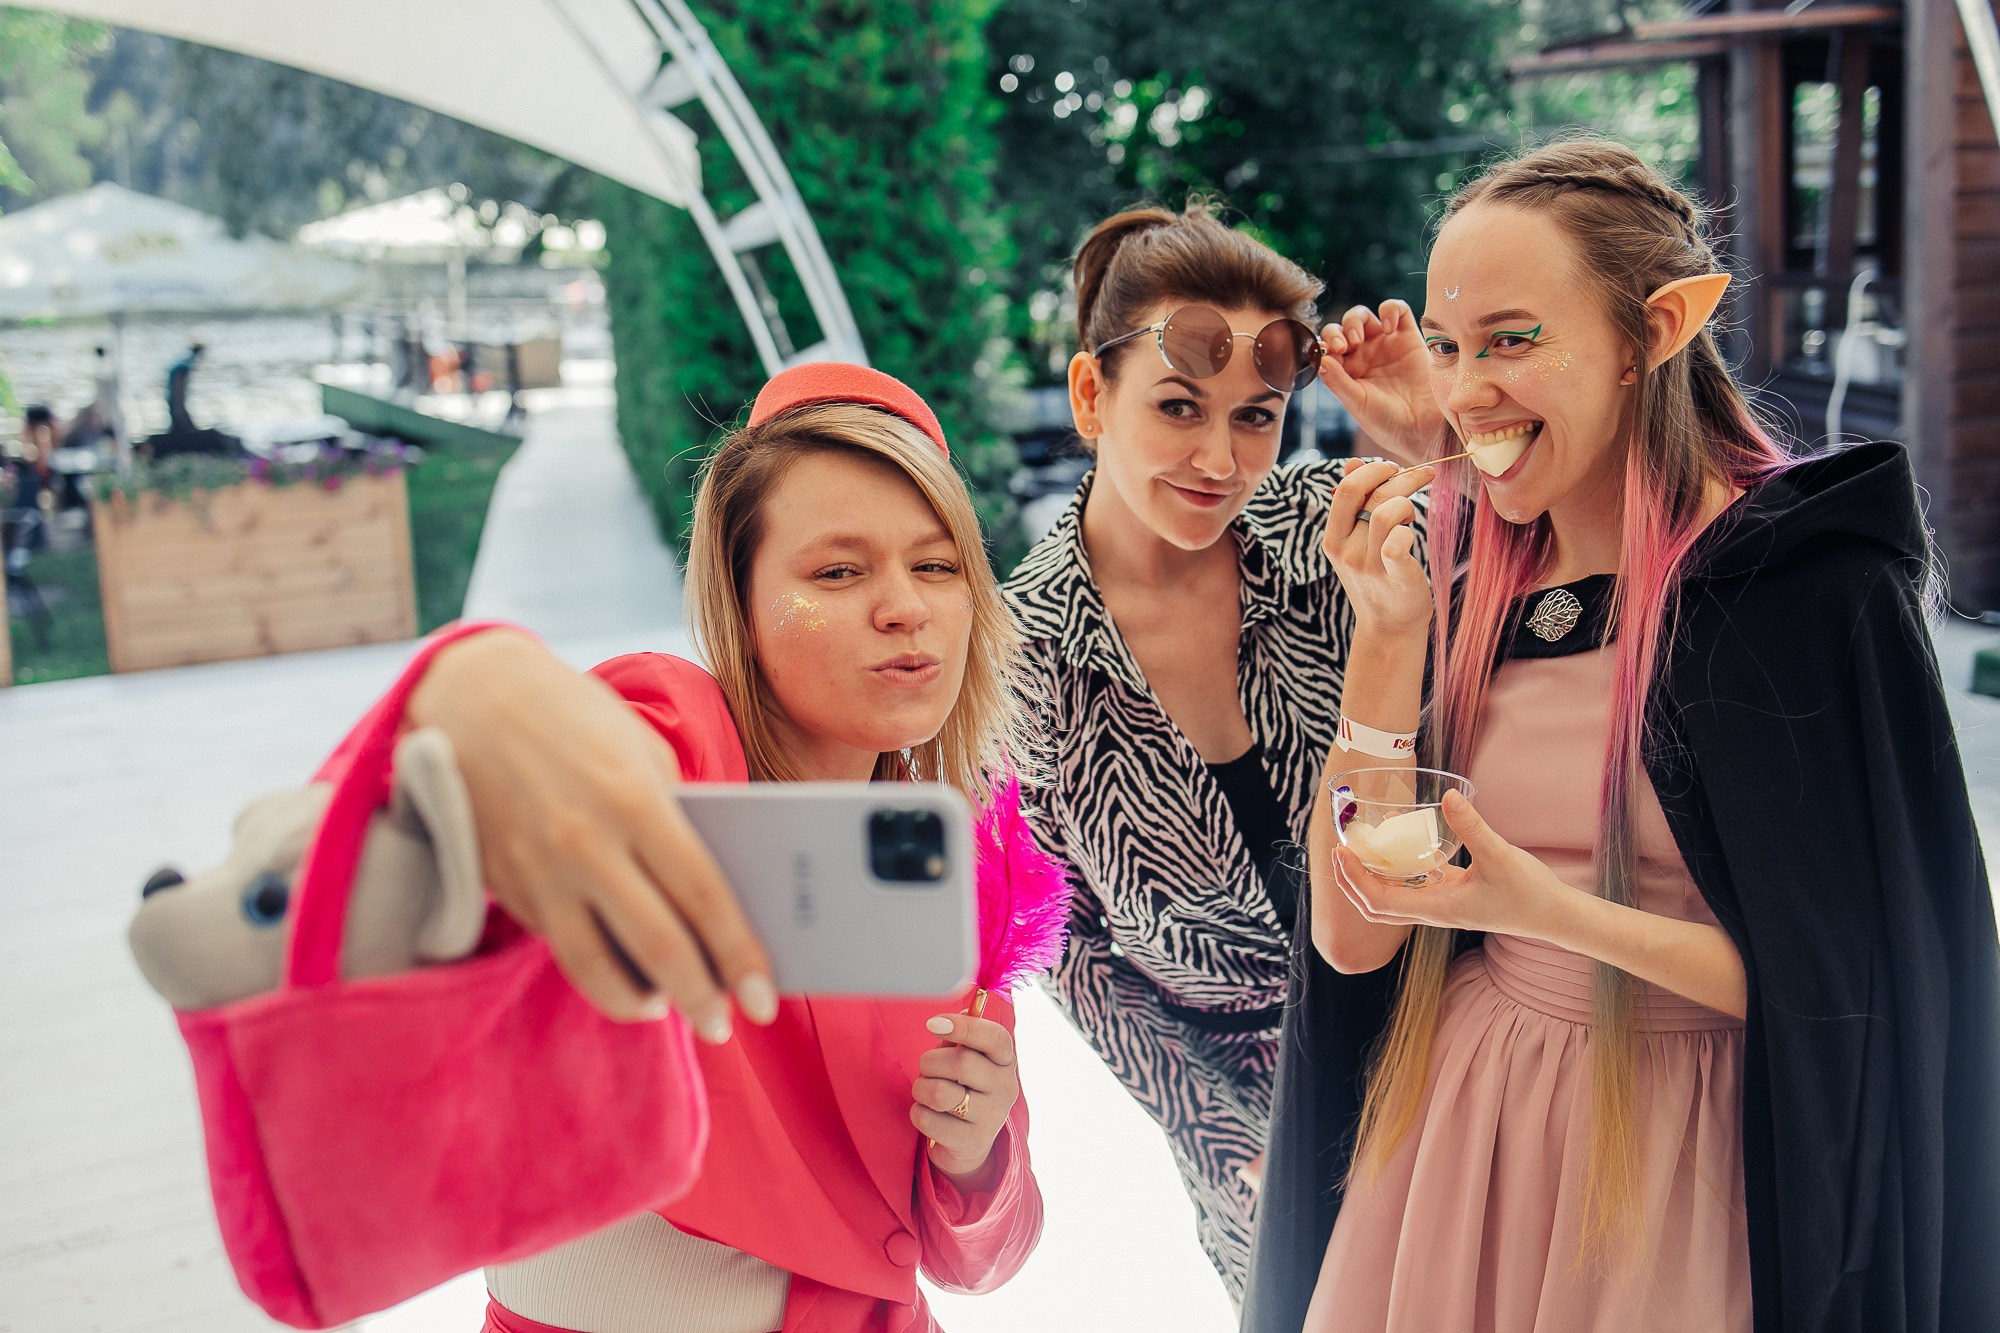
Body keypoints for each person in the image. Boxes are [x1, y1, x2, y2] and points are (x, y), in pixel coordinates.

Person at [1251, 138, 2000, 1332]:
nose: (1461, 389)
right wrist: (1386, 638)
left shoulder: (1802, 591)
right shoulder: (1478, 575)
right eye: (1447, 346)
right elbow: (1349, 942)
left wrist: (1538, 910)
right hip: (1460, 1132)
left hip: (1686, 1158)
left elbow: (1861, 991)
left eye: (1512, 338)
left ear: (1655, 329)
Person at [389, 363, 1047, 1333]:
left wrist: (977, 1153)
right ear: (736, 602)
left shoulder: (946, 864)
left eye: (937, 564)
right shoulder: (676, 731)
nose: (905, 605)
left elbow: (978, 1257)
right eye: (837, 569)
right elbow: (595, 752)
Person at [1003, 200, 1429, 1298]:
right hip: (1235, 1095)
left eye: (1255, 415)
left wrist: (1430, 439)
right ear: (1091, 396)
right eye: (1178, 407)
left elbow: (1526, 611)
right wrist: (1208, 1129)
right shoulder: (1020, 658)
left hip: (1433, 1023)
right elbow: (1064, 946)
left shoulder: (1323, 529)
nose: (1217, 457)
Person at [165, 342, 203, 435]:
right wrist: (180, 408)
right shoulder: (184, 365)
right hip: (175, 400)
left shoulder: (183, 361)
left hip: (172, 398)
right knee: (181, 426)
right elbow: (179, 388)